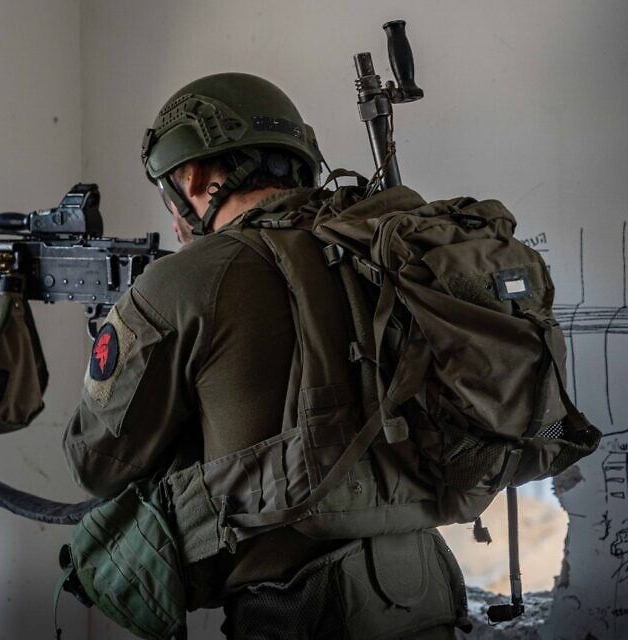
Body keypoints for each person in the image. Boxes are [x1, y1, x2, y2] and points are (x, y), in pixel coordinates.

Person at [63, 73, 465, 639]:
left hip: (299, 616)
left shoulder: (184, 280)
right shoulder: (377, 251)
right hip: (430, 597)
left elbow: (98, 464)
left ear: (193, 174)